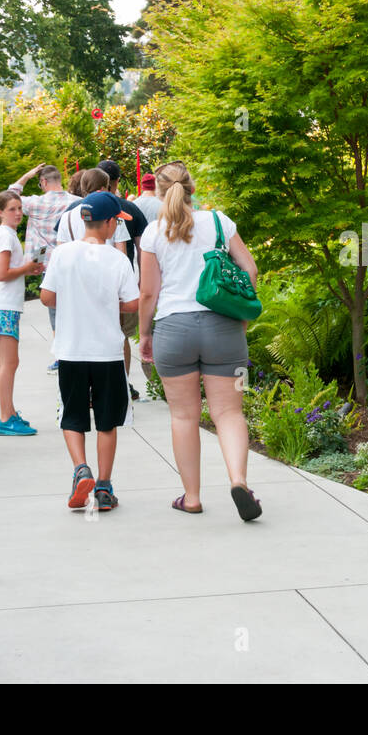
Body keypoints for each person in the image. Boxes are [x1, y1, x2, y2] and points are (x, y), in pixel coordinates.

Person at [138, 161, 261, 521]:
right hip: (223, 328)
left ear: (159, 192)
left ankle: (191, 496)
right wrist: (241, 315)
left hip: (174, 331)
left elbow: (148, 293)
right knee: (229, 412)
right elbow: (249, 268)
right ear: (192, 188)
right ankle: (239, 481)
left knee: (183, 415)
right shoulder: (220, 222)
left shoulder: (152, 233)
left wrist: (145, 334)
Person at [40, 191, 140, 512]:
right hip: (108, 353)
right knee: (107, 422)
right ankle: (105, 487)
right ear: (110, 223)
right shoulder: (117, 259)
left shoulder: (63, 254)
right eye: (117, 223)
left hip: (71, 350)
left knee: (73, 415)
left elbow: (46, 297)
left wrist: (71, 299)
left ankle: (81, 468)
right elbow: (132, 304)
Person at [7, 163, 79, 373]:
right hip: (71, 261)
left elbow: (10, 195)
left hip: (46, 263)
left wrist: (27, 176)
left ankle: (60, 355)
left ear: (44, 182)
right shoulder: (76, 202)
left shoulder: (35, 203)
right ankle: (74, 349)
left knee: (55, 310)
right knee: (72, 307)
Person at [0, 190, 44, 436]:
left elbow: (5, 272)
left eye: (19, 208)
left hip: (2, 303)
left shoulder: (4, 235)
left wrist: (26, 269)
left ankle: (8, 413)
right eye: (12, 209)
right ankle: (6, 417)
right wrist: (27, 268)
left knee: (6, 363)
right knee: (9, 362)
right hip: (4, 305)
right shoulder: (6, 237)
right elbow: (2, 274)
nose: (18, 213)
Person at [97, 159, 148, 400]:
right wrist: (141, 282)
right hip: (123, 284)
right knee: (121, 336)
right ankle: (123, 385)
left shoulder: (81, 209)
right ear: (117, 181)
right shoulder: (130, 209)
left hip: (92, 285)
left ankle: (97, 387)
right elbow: (141, 249)